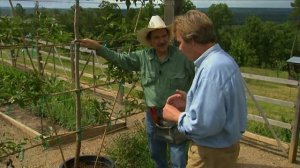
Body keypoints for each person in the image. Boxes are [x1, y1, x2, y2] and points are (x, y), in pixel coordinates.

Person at [77, 15, 195, 168]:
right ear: (150, 41)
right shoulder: (143, 57)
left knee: (178, 157)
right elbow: (121, 59)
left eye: (164, 36)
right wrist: (99, 47)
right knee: (156, 154)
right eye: (157, 37)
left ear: (169, 36)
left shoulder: (182, 57)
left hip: (177, 114)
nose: (161, 40)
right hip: (153, 115)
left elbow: (197, 79)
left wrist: (192, 104)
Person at [162, 10, 247, 168]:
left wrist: (176, 116)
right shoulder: (224, 61)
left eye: (180, 42)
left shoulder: (211, 70)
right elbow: (221, 108)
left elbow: (203, 126)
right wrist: (192, 101)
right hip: (223, 150)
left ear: (192, 40)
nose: (179, 48)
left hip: (209, 154)